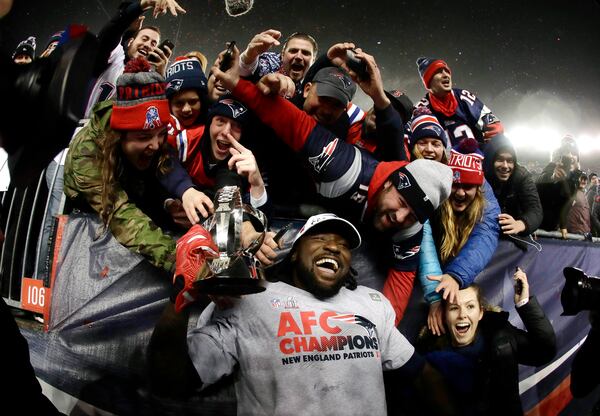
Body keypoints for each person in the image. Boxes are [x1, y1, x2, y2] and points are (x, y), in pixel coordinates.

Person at [211, 47, 453, 323]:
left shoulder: (411, 226)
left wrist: (385, 334)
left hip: (323, 209)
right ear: (388, 185)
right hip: (284, 203)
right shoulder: (339, 161)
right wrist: (234, 81)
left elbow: (401, 281)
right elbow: (282, 115)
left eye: (411, 215)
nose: (400, 217)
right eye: (401, 204)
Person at [148, 213, 455, 415]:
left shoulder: (371, 303)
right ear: (295, 253)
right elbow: (171, 381)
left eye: (344, 245)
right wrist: (180, 296)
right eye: (320, 239)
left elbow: (421, 374)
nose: (334, 247)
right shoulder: (249, 300)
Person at [63, 57, 209, 274]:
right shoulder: (88, 153)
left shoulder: (151, 136)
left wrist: (180, 195)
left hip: (130, 191)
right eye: (143, 137)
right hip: (89, 212)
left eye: (161, 134)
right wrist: (186, 265)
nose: (155, 145)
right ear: (119, 136)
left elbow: (163, 160)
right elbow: (122, 216)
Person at [416, 270, 556, 416]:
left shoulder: (501, 336)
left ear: (480, 313)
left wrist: (524, 303)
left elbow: (544, 351)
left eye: (470, 306)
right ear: (444, 316)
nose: (462, 314)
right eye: (454, 308)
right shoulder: (432, 357)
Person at [418, 139, 500, 335]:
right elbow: (425, 240)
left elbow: (486, 233)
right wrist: (434, 298)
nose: (461, 193)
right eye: (455, 185)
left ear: (479, 189)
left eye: (468, 186)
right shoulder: (432, 191)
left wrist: (456, 276)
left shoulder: (486, 200)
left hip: (456, 277)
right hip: (429, 278)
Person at [414, 57, 503, 147]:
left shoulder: (463, 97)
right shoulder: (421, 109)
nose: (446, 75)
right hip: (440, 160)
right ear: (428, 80)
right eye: (439, 71)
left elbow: (493, 124)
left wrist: (489, 149)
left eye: (447, 71)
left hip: (475, 157)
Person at [483, 134, 542, 241]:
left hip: (511, 237)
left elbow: (535, 210)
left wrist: (521, 224)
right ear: (490, 160)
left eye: (510, 161)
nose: (505, 166)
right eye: (500, 159)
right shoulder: (480, 173)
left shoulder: (522, 176)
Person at [239, 30, 317, 96]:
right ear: (282, 54)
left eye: (305, 53)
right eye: (293, 51)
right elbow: (247, 68)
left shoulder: (317, 80)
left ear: (313, 60)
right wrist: (249, 56)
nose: (298, 57)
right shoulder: (269, 62)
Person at [536, 135, 581, 234]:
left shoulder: (575, 178)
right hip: (538, 228)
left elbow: (566, 204)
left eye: (573, 153)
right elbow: (539, 181)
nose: (570, 156)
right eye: (566, 153)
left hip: (553, 228)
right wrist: (553, 178)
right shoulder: (552, 168)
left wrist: (562, 225)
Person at [565, 172, 592, 237]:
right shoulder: (573, 193)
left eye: (585, 179)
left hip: (584, 231)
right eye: (581, 179)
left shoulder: (584, 194)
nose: (583, 181)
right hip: (575, 231)